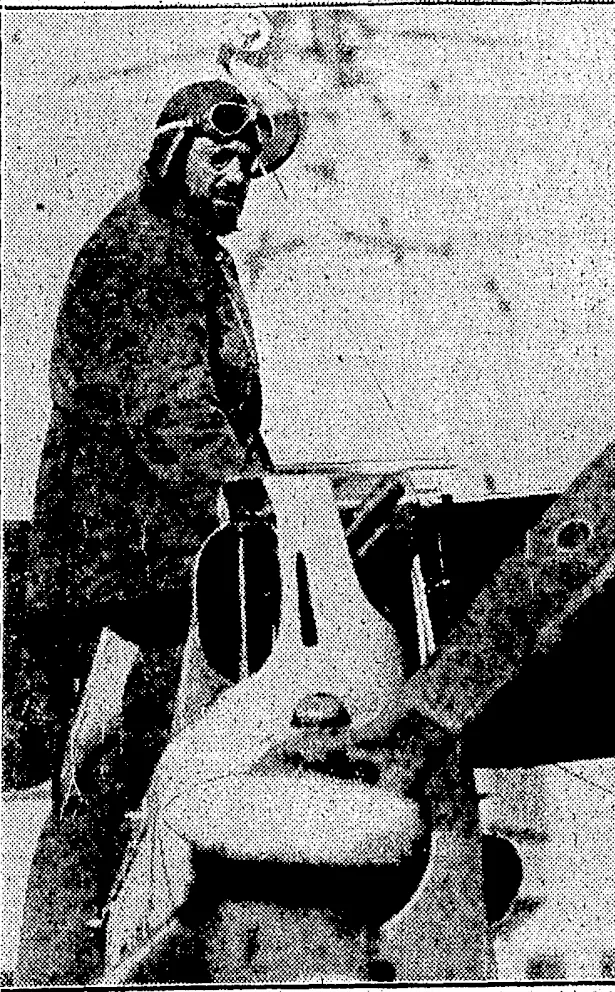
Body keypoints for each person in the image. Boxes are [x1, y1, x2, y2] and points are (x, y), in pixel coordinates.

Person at [25, 78, 302, 822]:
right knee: (138, 793)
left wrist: (282, 501)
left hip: (159, 558)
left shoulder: (193, 252)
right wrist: (266, 514)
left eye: (250, 162)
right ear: (173, 154)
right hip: (128, 574)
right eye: (221, 155)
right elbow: (173, 414)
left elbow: (225, 425)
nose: (239, 174)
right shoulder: (145, 250)